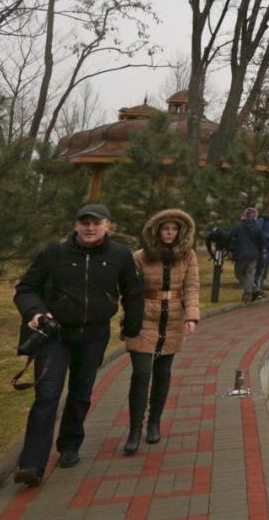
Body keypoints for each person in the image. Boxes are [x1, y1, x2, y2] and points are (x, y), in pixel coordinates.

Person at [12, 204, 143, 487]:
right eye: (84, 222)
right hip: (55, 335)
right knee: (47, 395)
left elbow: (133, 293)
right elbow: (26, 288)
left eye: (96, 223)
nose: (90, 228)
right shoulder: (54, 253)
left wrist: (132, 326)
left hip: (94, 336)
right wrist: (34, 312)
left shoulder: (119, 255)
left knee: (81, 391)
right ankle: (32, 464)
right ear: (76, 225)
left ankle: (70, 444)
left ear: (108, 225)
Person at [124, 209, 200, 455]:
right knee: (141, 373)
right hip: (144, 318)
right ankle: (135, 429)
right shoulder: (140, 257)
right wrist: (129, 318)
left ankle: (154, 422)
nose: (169, 233)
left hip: (173, 319)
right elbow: (129, 290)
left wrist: (191, 315)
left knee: (163, 372)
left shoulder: (188, 256)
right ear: (156, 231)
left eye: (174, 229)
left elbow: (191, 287)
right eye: (165, 228)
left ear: (180, 232)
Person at [231, 207, 265, 303]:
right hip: (254, 255)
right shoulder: (257, 227)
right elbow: (261, 242)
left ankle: (249, 292)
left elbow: (229, 235)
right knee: (249, 274)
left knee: (239, 274)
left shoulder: (239, 226)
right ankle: (253, 291)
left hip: (241, 255)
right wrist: (261, 251)